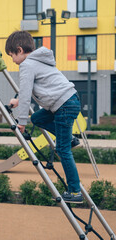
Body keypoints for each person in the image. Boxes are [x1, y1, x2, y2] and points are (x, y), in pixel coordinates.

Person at [5, 30, 83, 203]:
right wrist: (17, 100)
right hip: (69, 100)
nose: (12, 60)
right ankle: (70, 138)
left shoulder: (26, 65)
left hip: (62, 105)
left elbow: (26, 92)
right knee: (38, 118)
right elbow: (32, 88)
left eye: (11, 56)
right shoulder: (39, 60)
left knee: (62, 150)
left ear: (19, 50)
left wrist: (21, 122)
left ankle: (75, 191)